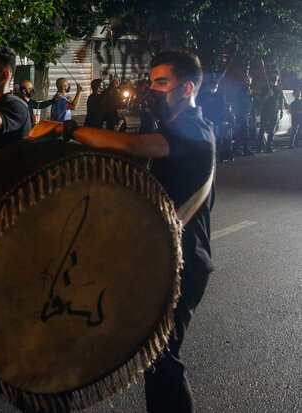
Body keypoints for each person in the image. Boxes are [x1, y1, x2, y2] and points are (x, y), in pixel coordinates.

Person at [30, 50, 215, 413]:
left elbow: (133, 147)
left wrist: (67, 128)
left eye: (161, 83)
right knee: (152, 356)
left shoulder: (194, 129)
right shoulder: (173, 127)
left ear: (187, 88)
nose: (151, 89)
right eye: (151, 80)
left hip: (184, 261)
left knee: (162, 357)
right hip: (164, 256)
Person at [257, 72, 285, 153]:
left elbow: (281, 99)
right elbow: (261, 101)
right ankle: (259, 147)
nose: (275, 76)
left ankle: (269, 147)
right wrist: (268, 95)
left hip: (275, 111)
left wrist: (282, 111)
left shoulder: (279, 88)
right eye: (273, 74)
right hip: (265, 110)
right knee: (262, 129)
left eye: (276, 74)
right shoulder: (265, 87)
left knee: (272, 130)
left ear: (279, 76)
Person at [230, 75, 254, 156]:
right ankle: (242, 149)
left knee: (243, 132)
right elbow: (238, 101)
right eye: (246, 80)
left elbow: (250, 102)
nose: (248, 82)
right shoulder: (241, 90)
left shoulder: (249, 90)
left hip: (246, 112)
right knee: (244, 132)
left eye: (249, 80)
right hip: (241, 113)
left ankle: (237, 149)